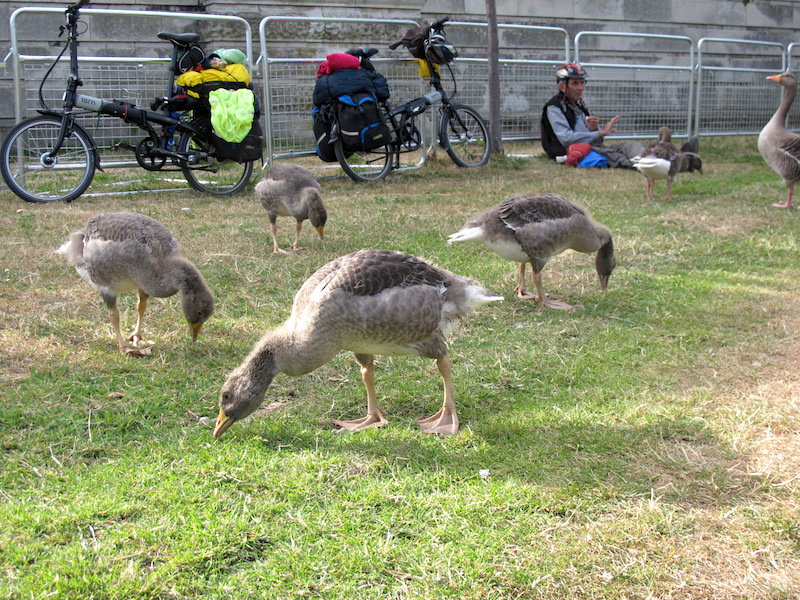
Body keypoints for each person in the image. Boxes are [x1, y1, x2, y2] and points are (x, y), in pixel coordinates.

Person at [540, 63, 643, 168]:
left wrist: (594, 129)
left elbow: (597, 140)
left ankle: (644, 159)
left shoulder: (580, 105)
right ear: (563, 87)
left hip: (594, 147)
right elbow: (566, 139)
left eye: (582, 83)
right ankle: (640, 165)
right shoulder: (554, 107)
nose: (580, 88)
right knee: (613, 156)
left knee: (630, 146)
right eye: (575, 83)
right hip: (574, 151)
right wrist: (598, 133)